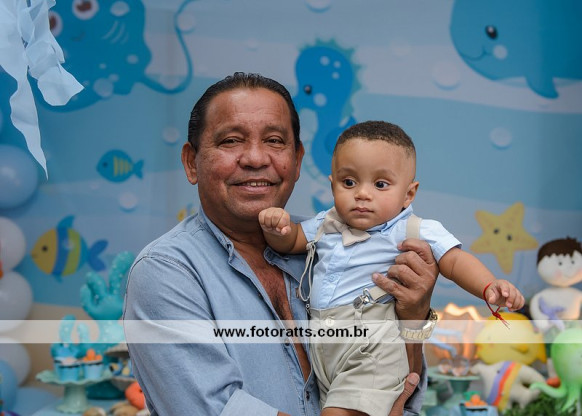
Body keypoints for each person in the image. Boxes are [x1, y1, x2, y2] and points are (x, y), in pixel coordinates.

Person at [123, 73, 439, 416]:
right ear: (191, 162)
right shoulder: (166, 272)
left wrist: (413, 317)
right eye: (231, 140)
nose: (255, 158)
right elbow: (217, 409)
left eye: (274, 141)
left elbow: (400, 390)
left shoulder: (333, 245)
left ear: (297, 160)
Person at [258, 121, 525, 416]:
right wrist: (276, 228)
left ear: (409, 194)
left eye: (380, 185)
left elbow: (454, 261)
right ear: (333, 184)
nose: (362, 194)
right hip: (324, 348)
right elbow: (292, 241)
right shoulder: (326, 224)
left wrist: (488, 285)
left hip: (373, 349)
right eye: (349, 182)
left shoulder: (412, 229)